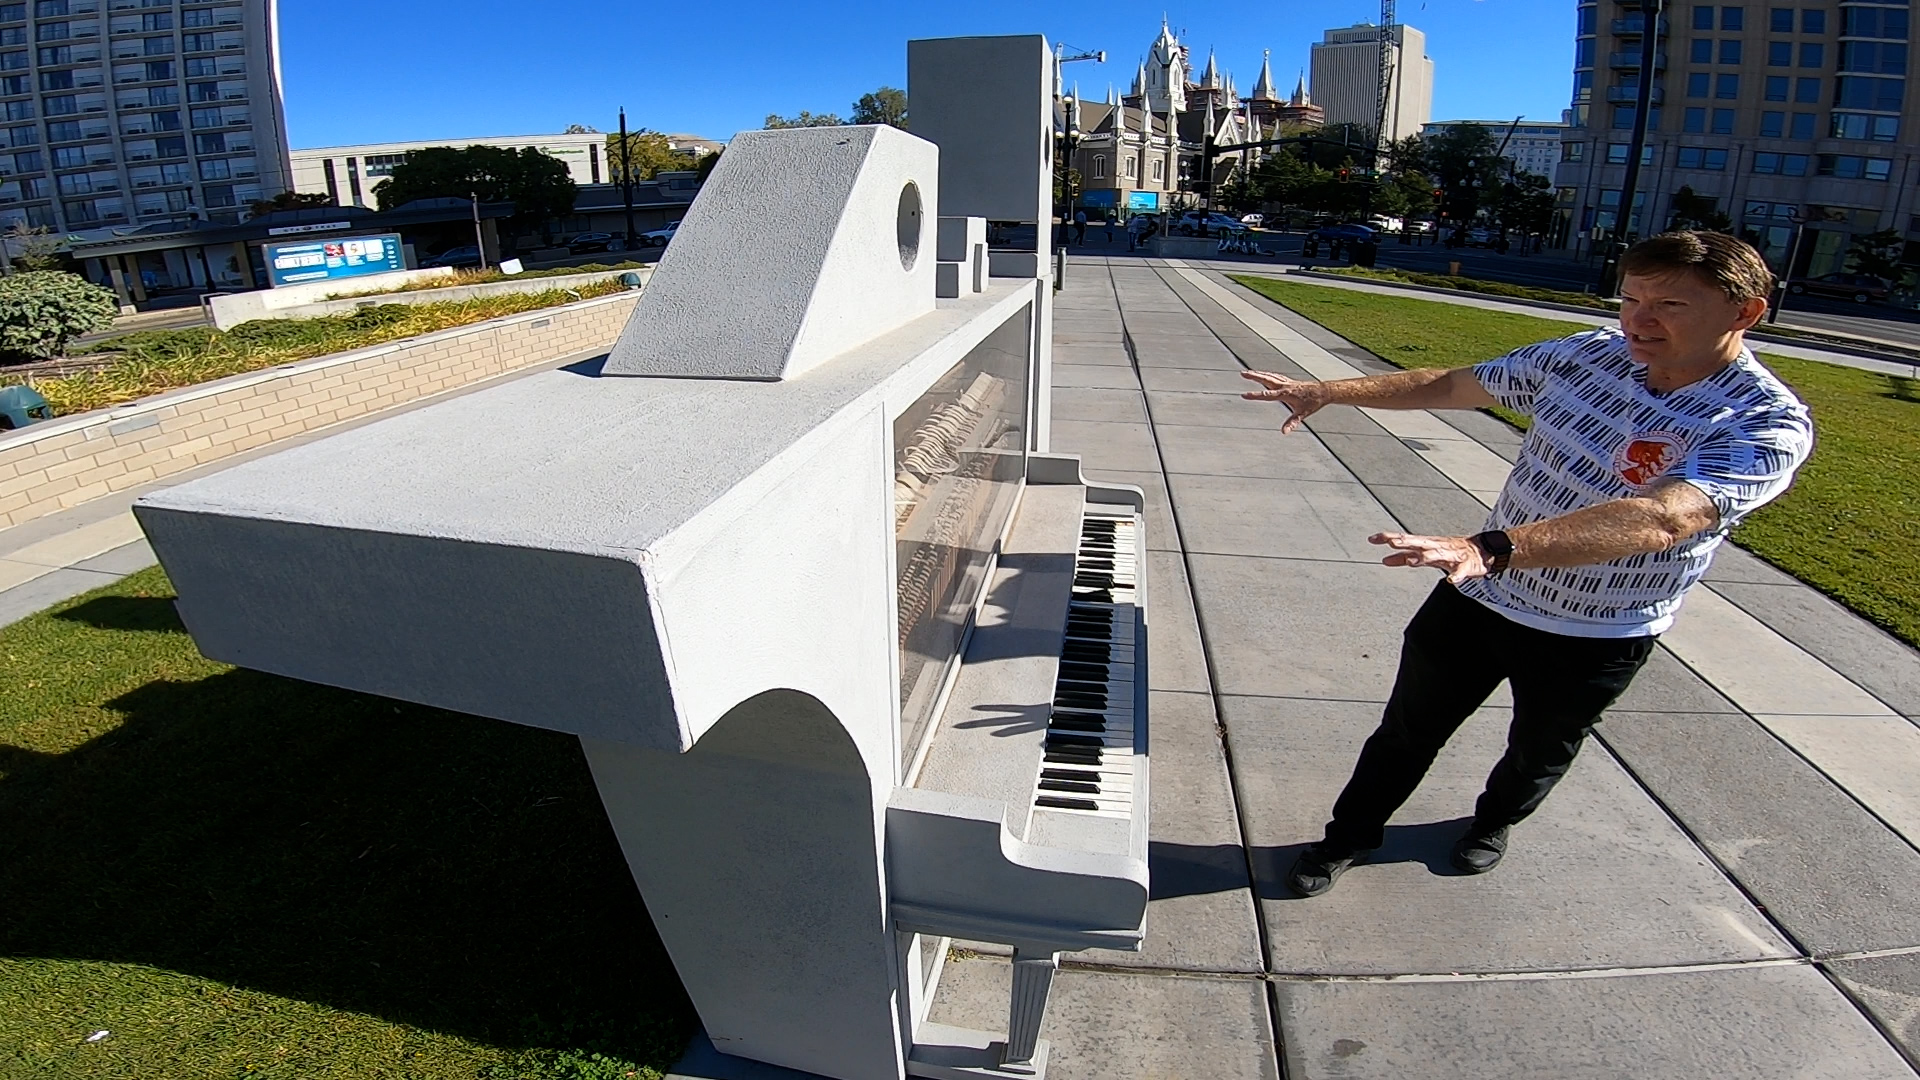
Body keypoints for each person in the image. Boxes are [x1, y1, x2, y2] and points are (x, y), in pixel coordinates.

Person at [1239, 231, 1813, 897]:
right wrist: (1330, 391)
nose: (1639, 320)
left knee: (1538, 751)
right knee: (1406, 731)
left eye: (1670, 305)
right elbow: (1456, 384)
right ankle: (1347, 837)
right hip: (1478, 598)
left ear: (1745, 312)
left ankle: (1492, 824)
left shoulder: (1763, 422)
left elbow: (1665, 518)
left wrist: (1490, 548)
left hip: (1597, 630)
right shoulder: (1586, 355)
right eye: (1630, 299)